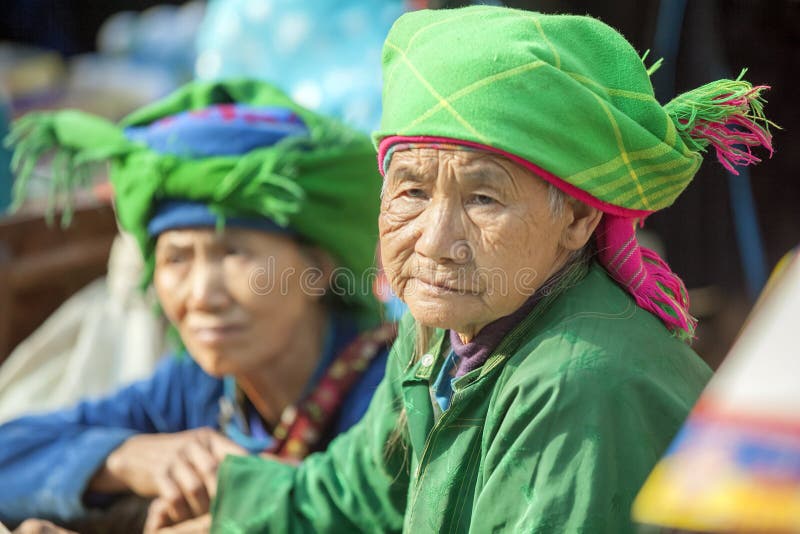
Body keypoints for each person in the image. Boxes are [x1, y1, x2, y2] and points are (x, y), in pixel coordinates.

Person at [209, 6, 776, 533]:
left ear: (576, 218)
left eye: (483, 199)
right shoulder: (439, 331)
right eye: (411, 190)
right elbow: (355, 495)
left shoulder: (576, 383)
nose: (436, 243)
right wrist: (202, 491)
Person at [0, 79, 392, 531]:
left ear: (317, 270)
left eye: (234, 254)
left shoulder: (387, 393)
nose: (202, 295)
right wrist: (126, 457)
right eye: (176, 258)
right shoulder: (197, 390)